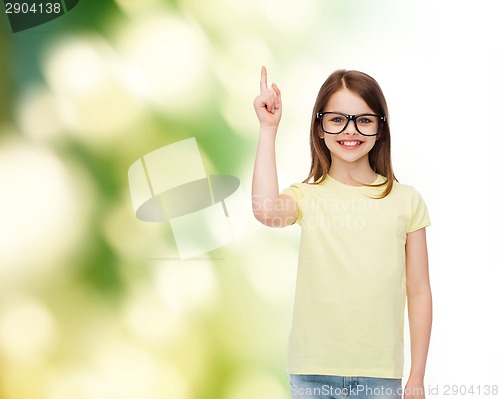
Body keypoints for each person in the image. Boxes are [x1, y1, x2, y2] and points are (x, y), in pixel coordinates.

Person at [252, 66, 432, 399]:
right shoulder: (306, 196)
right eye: (337, 119)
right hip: (312, 374)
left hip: (379, 377)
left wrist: (417, 376)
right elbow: (266, 211)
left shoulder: (406, 201)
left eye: (364, 119)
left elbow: (419, 291)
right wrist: (268, 129)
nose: (350, 130)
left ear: (380, 128)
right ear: (319, 128)